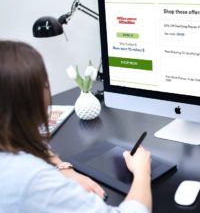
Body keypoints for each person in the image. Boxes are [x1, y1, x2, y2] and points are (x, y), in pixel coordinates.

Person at [0, 40, 152, 213]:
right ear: (29, 101)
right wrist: (142, 172)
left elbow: (29, 144)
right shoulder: (33, 180)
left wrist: (63, 168)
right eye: (44, 85)